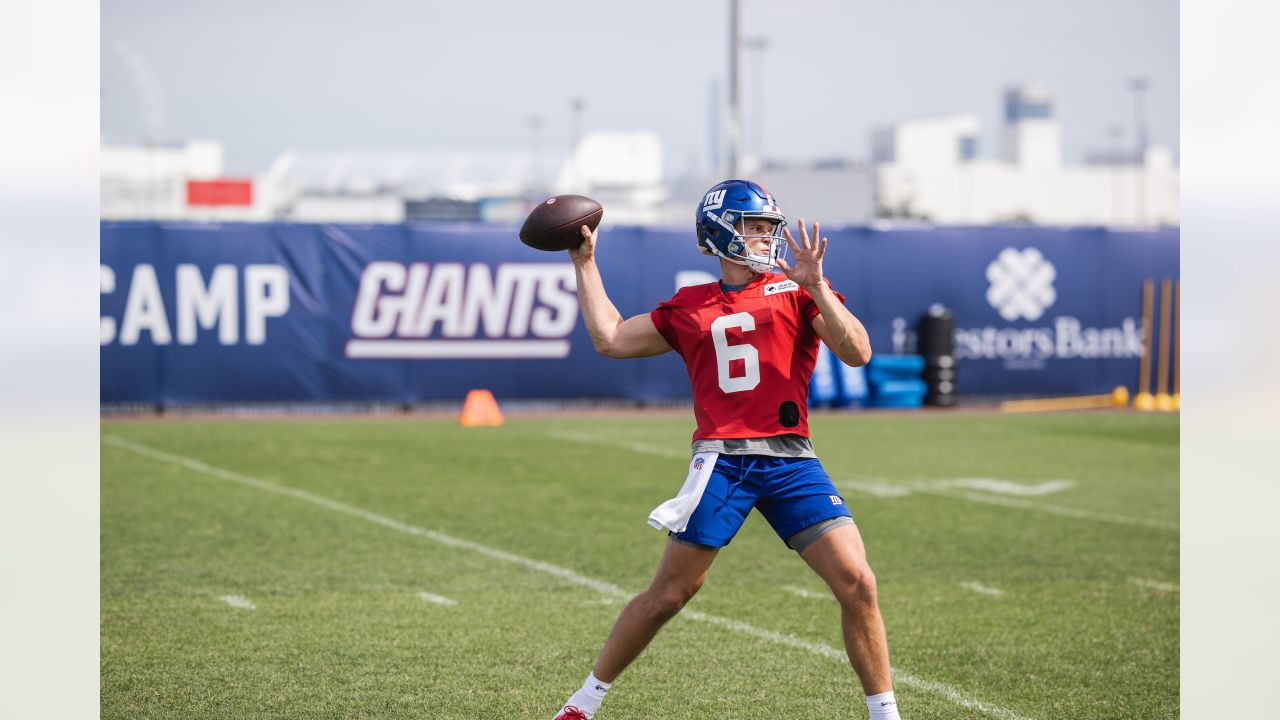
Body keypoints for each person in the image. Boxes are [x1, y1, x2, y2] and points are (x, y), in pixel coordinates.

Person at [554, 180, 900, 720]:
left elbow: (857, 352)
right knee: (669, 595)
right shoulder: (691, 305)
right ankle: (583, 703)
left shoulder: (796, 289)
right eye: (755, 227)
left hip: (792, 460)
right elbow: (612, 339)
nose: (767, 237)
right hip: (724, 462)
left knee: (858, 581)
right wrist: (584, 263)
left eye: (769, 227)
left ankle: (886, 715)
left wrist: (818, 288)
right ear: (721, 232)